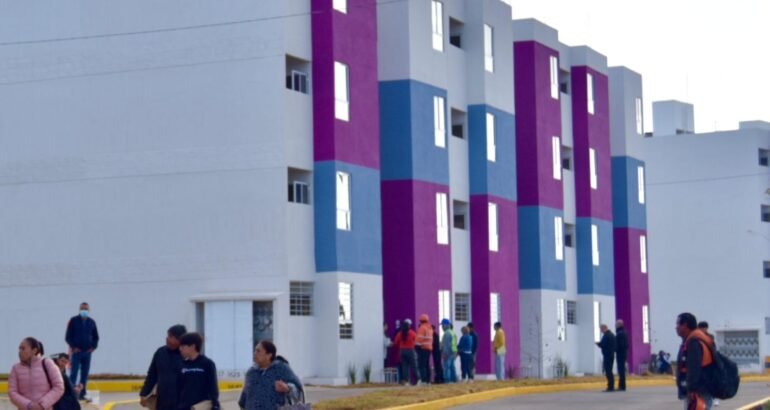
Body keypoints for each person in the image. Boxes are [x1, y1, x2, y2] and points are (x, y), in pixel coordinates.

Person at [238, 340, 304, 410]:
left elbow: (299, 389)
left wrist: (288, 388)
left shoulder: (281, 369)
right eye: (255, 351)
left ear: (269, 355)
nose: (254, 353)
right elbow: (244, 399)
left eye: (258, 351)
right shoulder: (251, 373)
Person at [139, 324, 187, 410]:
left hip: (182, 403)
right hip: (162, 402)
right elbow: (152, 375)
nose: (167, 338)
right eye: (168, 335)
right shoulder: (160, 353)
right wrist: (144, 393)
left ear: (179, 339)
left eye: (170, 336)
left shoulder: (187, 355)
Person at [8, 337, 65, 410]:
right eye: (19, 349)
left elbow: (59, 387)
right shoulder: (15, 368)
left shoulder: (47, 364)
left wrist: (42, 405)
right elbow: (12, 392)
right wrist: (29, 405)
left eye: (23, 348)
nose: (20, 352)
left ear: (34, 350)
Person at [676, 313, 714, 410]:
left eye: (678, 324)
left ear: (685, 325)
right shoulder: (691, 340)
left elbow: (694, 367)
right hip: (698, 390)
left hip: (699, 391)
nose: (676, 327)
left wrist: (692, 389)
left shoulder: (694, 343)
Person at [65, 302, 99, 401]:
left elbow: (96, 337)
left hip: (87, 353)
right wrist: (73, 347)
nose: (84, 310)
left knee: (84, 374)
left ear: (89, 310)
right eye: (82, 308)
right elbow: (68, 337)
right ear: (79, 310)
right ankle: (71, 394)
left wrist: (93, 347)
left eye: (86, 309)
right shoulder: (73, 321)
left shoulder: (91, 322)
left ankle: (82, 394)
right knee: (73, 374)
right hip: (76, 352)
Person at [177, 332, 219, 410]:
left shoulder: (207, 363)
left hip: (201, 406)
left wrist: (215, 405)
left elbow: (213, 387)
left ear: (192, 346)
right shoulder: (182, 365)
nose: (180, 349)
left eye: (183, 346)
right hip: (184, 407)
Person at [697, 321, 719, 407]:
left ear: (706, 328)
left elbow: (713, 349)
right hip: (701, 363)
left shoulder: (709, 337)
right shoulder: (696, 337)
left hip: (710, 363)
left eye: (703, 328)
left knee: (712, 382)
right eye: (700, 328)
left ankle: (715, 398)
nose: (702, 330)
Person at [392, 320, 419, 385]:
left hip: (402, 351)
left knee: (405, 367)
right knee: (414, 366)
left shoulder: (399, 333)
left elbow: (395, 343)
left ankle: (406, 381)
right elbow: (417, 341)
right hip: (410, 351)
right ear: (408, 326)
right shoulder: (412, 333)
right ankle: (418, 379)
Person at [596, 324, 616, 392]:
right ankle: (611, 385)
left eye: (601, 329)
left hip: (607, 355)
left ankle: (610, 386)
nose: (601, 331)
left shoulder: (606, 336)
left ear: (604, 328)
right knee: (610, 370)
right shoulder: (612, 335)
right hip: (611, 354)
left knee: (608, 371)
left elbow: (603, 344)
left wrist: (598, 344)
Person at [415, 314, 433, 385]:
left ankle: (423, 380)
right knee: (427, 365)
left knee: (422, 365)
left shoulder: (422, 328)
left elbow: (419, 339)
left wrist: (416, 346)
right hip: (429, 349)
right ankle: (428, 381)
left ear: (421, 321)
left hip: (422, 348)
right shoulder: (430, 328)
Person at [615, 319, 629, 391]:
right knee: (621, 370)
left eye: (616, 324)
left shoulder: (620, 333)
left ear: (619, 324)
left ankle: (622, 386)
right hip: (623, 353)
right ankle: (621, 386)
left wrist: (615, 349)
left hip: (621, 354)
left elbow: (621, 344)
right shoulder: (623, 332)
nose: (615, 325)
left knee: (621, 370)